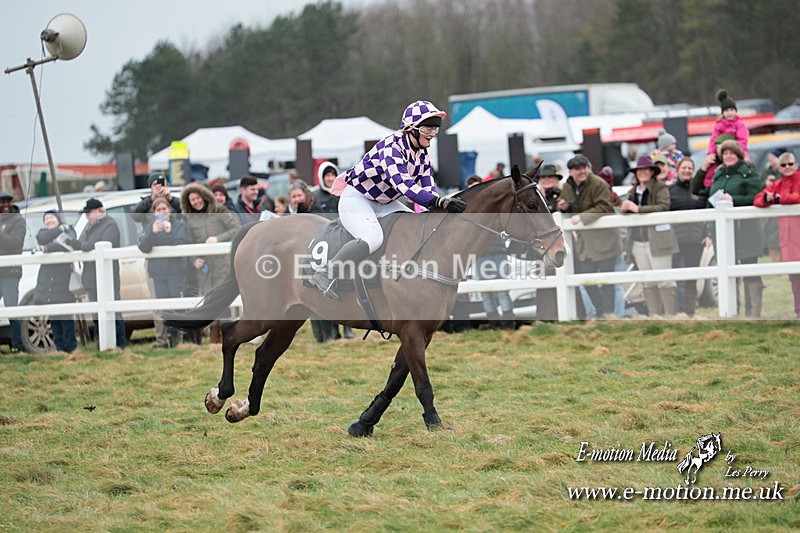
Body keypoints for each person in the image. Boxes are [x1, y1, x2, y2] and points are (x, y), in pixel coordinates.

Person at [311, 100, 467, 300]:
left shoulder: (422, 153)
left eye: (435, 128)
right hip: (357, 197)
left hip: (384, 201)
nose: (433, 133)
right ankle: (326, 272)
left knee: (416, 229)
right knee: (372, 238)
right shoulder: (392, 148)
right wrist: (440, 202)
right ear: (412, 129)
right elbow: (406, 188)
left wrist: (441, 207)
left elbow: (428, 189)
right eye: (428, 128)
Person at [556, 155, 622, 318]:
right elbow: (567, 207)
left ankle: (609, 315)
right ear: (570, 171)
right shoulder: (567, 186)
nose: (582, 171)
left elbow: (605, 207)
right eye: (577, 169)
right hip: (585, 243)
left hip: (605, 239)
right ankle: (601, 312)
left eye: (584, 167)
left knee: (606, 280)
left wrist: (582, 217)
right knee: (586, 279)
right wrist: (563, 208)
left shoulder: (599, 183)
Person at [707, 139, 764, 317]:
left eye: (731, 153)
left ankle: (753, 313)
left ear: (738, 155)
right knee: (727, 269)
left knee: (749, 269)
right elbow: (711, 200)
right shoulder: (718, 174)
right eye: (725, 153)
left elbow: (757, 196)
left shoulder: (748, 172)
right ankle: (732, 311)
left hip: (745, 229)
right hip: (723, 231)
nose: (728, 156)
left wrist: (734, 200)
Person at [181, 183, 241, 343]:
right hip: (205, 267)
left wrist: (218, 239)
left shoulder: (219, 210)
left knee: (223, 297)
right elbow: (190, 242)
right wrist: (194, 259)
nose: (196, 202)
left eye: (197, 198)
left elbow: (236, 228)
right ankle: (214, 337)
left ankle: (227, 335)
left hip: (223, 263)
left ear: (204, 196)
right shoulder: (190, 219)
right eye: (192, 200)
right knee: (209, 299)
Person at [620, 155, 680, 317]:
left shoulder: (661, 188)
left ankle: (671, 317)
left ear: (652, 172)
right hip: (638, 242)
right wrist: (625, 210)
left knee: (665, 280)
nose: (642, 172)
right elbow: (629, 213)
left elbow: (663, 207)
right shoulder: (632, 192)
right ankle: (655, 317)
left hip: (659, 241)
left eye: (646, 169)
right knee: (647, 281)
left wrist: (638, 209)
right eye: (639, 170)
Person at [66, 198, 126, 349]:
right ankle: (102, 345)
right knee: (97, 316)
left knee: (114, 315)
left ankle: (119, 345)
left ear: (99, 211)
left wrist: (80, 245)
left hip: (107, 278)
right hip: (92, 278)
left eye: (89, 213)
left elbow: (101, 246)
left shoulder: (110, 225)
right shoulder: (91, 227)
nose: (87, 217)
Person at [753, 151, 800, 317]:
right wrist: (768, 199)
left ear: (796, 165)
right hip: (787, 239)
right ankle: (798, 312)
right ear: (779, 168)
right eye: (783, 165)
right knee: (794, 277)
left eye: (790, 164)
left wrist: (778, 198)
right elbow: (758, 199)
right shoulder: (777, 184)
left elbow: (796, 197)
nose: (787, 167)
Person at [138, 198, 189, 347]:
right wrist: (153, 233)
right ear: (154, 213)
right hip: (158, 274)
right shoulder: (151, 226)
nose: (162, 212)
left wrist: (169, 231)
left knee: (177, 307)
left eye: (164, 209)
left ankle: (178, 340)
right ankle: (165, 341)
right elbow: (143, 247)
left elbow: (181, 244)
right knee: (163, 308)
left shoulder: (178, 225)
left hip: (175, 272)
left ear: (169, 210)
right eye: (158, 210)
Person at [669, 157, 711, 316]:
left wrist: (708, 234)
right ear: (678, 170)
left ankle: (689, 313)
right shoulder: (670, 191)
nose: (687, 171)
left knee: (692, 278)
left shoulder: (700, 191)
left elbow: (709, 211)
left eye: (690, 168)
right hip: (675, 241)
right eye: (684, 168)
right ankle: (675, 311)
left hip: (695, 240)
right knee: (674, 277)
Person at [33, 210, 78, 352]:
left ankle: (70, 348)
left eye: (51, 217)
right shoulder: (44, 233)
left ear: (58, 219)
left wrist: (47, 248)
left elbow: (65, 245)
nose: (49, 220)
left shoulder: (69, 230)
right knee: (54, 319)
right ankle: (59, 349)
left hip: (63, 280)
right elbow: (41, 238)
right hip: (48, 283)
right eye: (46, 218)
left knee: (66, 317)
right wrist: (59, 230)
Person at [0, 191, 26, 352]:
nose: (5, 205)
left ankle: (18, 345)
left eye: (7, 202)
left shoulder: (18, 221)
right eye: (1, 202)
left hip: (10, 273)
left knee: (12, 309)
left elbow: (15, 244)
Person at [707, 89, 749, 161]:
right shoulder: (719, 125)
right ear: (723, 113)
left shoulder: (739, 124)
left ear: (735, 111)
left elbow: (742, 140)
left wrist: (734, 150)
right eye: (726, 111)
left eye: (732, 110)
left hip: (738, 151)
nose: (730, 113)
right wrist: (711, 153)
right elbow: (713, 140)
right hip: (722, 153)